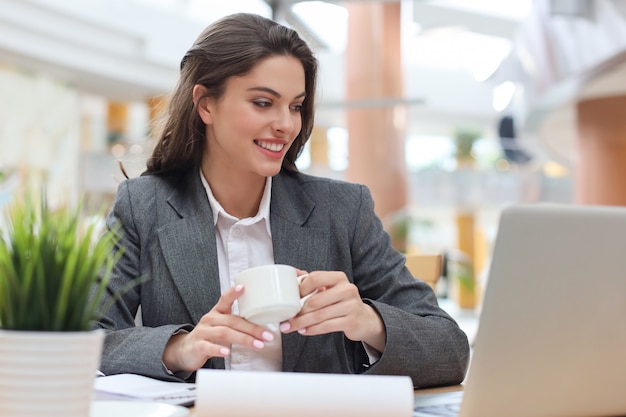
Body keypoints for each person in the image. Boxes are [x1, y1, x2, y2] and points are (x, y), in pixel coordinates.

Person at [94, 12, 470, 388]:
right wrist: (180, 347)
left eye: (295, 106)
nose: (287, 124)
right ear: (206, 104)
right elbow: (90, 336)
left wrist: (367, 322)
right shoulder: (144, 207)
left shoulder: (342, 209)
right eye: (262, 102)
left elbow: (450, 349)